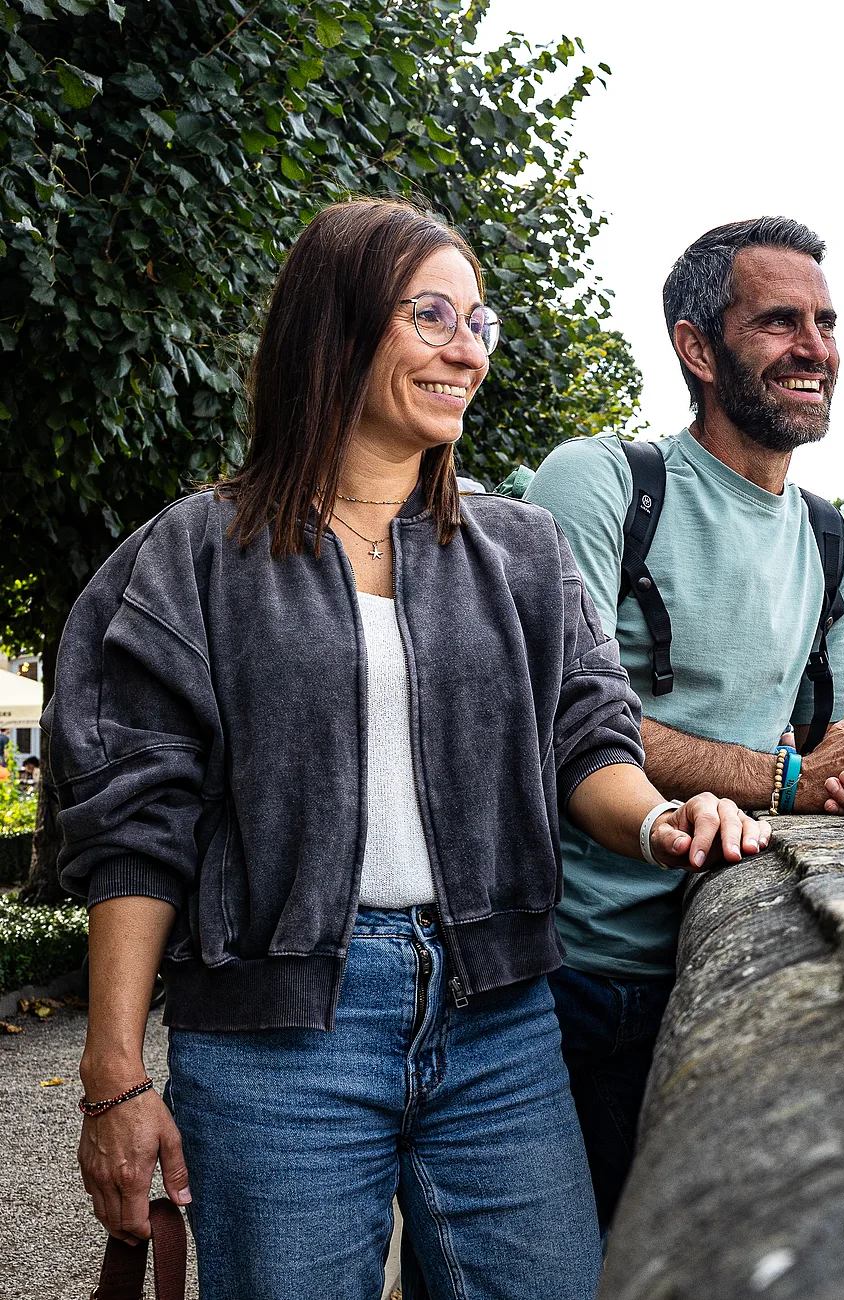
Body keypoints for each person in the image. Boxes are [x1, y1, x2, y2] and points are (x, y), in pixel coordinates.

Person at [45, 198, 769, 1300]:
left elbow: (588, 741)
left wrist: (660, 821)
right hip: (275, 1042)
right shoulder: (191, 555)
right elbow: (136, 826)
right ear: (334, 326)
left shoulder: (522, 549)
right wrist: (114, 1074)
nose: (466, 350)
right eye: (431, 315)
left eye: (479, 323)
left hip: (502, 1019)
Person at [525, 216, 844, 1229]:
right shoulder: (603, 483)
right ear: (697, 349)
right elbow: (563, 711)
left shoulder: (831, 539)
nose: (814, 348)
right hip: (558, 983)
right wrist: (789, 779)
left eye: (826, 323)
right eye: (779, 322)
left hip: (726, 968)